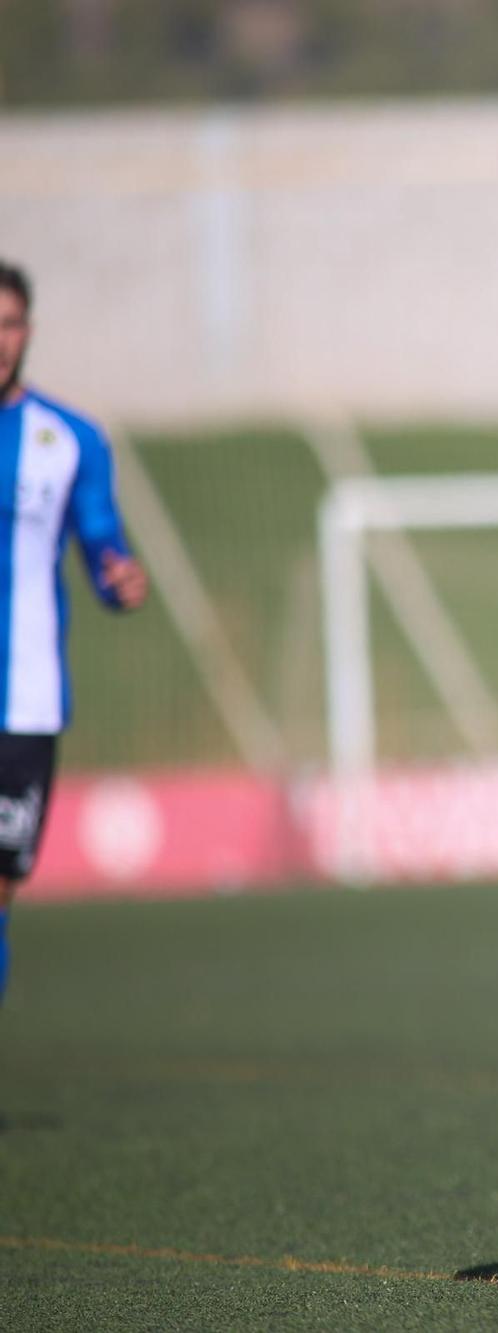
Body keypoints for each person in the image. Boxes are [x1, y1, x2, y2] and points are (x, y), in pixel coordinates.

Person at [0, 261, 150, 1008]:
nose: (0, 340)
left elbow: (101, 544)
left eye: (11, 323)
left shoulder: (71, 440)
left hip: (23, 703)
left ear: (27, 331)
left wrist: (120, 579)